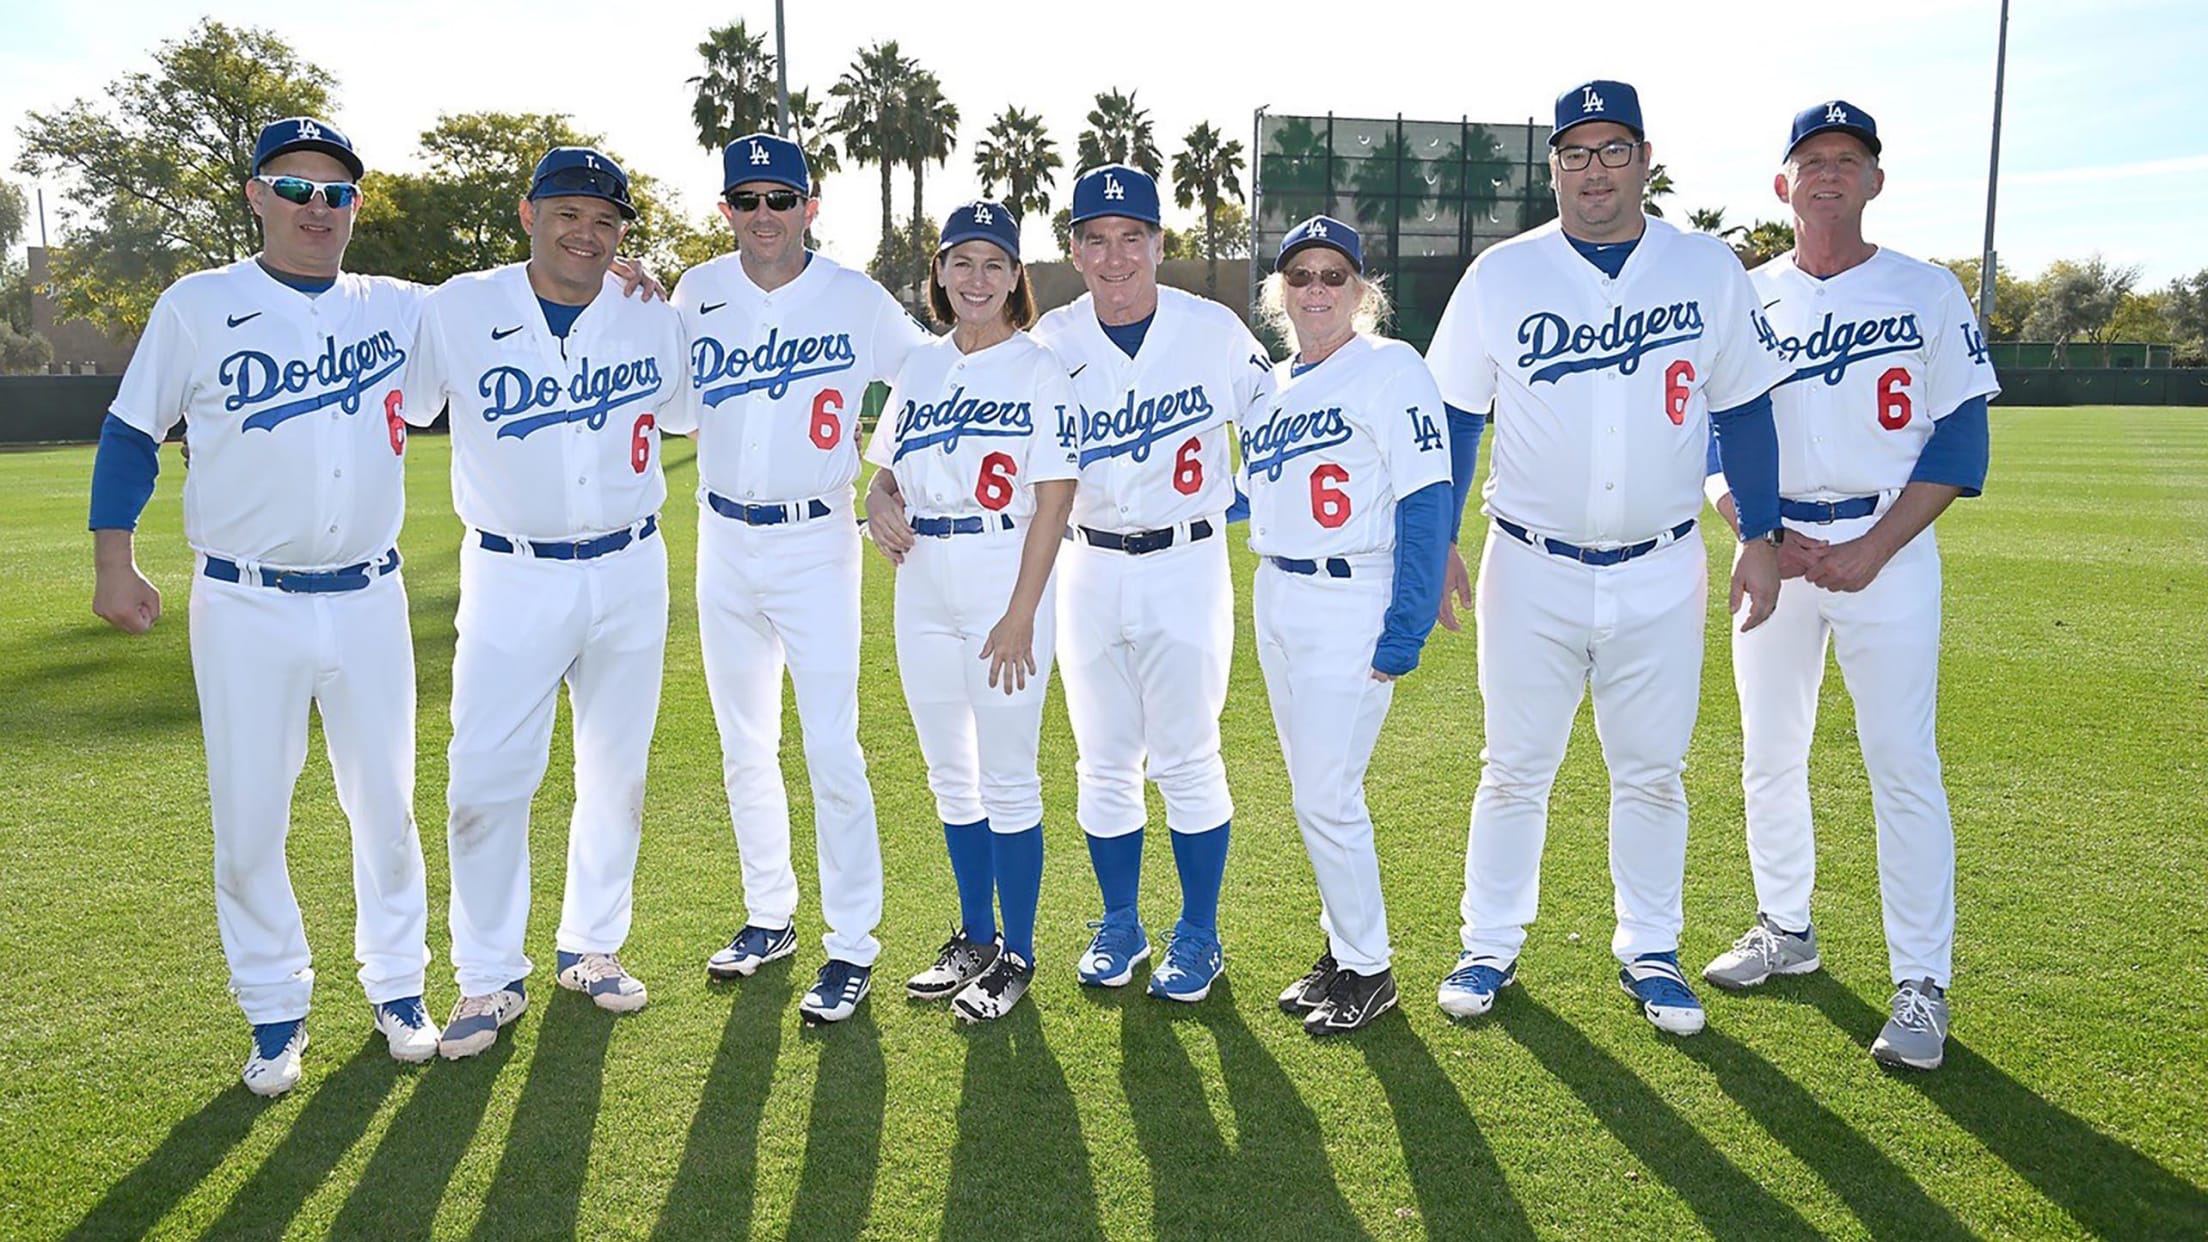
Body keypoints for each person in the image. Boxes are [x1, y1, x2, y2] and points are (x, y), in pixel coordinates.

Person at [1425, 80, 1791, 1036]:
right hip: (1530, 562)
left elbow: (1747, 409)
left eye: (1613, 150)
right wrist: (1440, 543)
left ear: (1644, 158)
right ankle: (1489, 943)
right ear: (1552, 168)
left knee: (1653, 772)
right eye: (1575, 154)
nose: (1595, 171)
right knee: (1511, 766)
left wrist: (1760, 533)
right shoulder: (1502, 274)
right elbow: (1455, 421)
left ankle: (1651, 949)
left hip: (1664, 564)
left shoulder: (1707, 268)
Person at [89, 117, 438, 1095]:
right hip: (245, 602)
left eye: (336, 193)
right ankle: (275, 1009)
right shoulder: (200, 305)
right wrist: (114, 561)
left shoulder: (398, 307)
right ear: (254, 196)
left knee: (388, 810)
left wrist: (631, 282)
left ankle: (400, 988)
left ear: (357, 206)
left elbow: (528, 299)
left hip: (370, 595)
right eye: (294, 189)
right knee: (249, 820)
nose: (316, 209)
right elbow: (128, 435)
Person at [1699, 102, 1997, 1071]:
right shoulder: (1744, 298)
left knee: (1902, 763)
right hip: (1775, 550)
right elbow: (1710, 439)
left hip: (1890, 550)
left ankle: (1921, 982)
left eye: (1848, 159)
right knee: (1768, 752)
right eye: (1811, 159)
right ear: (1782, 184)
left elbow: (1960, 439)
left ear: (1875, 181)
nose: (1829, 173)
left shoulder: (1927, 291)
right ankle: (1785, 926)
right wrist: (1755, 529)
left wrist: (1877, 545)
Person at [397, 147, 691, 1058]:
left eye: (605, 221)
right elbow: (399, 409)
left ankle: (591, 945)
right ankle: (486, 976)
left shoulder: (652, 315)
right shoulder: (456, 307)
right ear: (528, 214)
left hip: (631, 566)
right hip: (511, 569)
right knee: (486, 775)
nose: (586, 233)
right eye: (568, 213)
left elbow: (683, 414)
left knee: (618, 771)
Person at [673, 132, 928, 1024]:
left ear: (810, 207)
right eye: (748, 200)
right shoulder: (695, 290)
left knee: (829, 745)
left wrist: (886, 467)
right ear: (727, 211)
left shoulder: (854, 297)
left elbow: (929, 374)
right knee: (745, 743)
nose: (765, 215)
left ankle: (852, 941)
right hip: (722, 538)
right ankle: (768, 914)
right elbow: (662, 392)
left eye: (782, 199)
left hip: (816, 538)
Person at [1030, 165, 1276, 1002]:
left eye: (1131, 237)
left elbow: (1278, 424)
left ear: (1159, 244)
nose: (1114, 256)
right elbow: (963, 388)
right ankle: (1121, 923)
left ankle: (1199, 933)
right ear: (1074, 249)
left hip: (1186, 559)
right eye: (1095, 240)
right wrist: (888, 482)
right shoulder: (1051, 340)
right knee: (1101, 762)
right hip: (1087, 562)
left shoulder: (1212, 329)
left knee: (1188, 758)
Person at [861, 201, 1080, 1023]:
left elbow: (1056, 496)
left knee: (1010, 775)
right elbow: (886, 472)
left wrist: (1022, 610)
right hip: (921, 577)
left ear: (1016, 277)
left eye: (995, 263)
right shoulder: (919, 366)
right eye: (962, 263)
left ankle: (1018, 953)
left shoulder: (1039, 366)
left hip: (1001, 569)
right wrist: (878, 499)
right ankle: (975, 937)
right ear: (940, 275)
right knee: (950, 773)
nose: (977, 279)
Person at [1244, 217, 1453, 1035]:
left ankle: (1369, 969)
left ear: (1363, 292)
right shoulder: (1273, 384)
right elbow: (1246, 494)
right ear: (1280, 293)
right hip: (1278, 594)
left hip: (1351, 595)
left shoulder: (1391, 367)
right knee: (1313, 792)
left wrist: (1405, 628)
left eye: (1336, 276)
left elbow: (1427, 496)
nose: (1318, 290)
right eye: (1302, 276)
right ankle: (1342, 951)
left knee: (1329, 796)